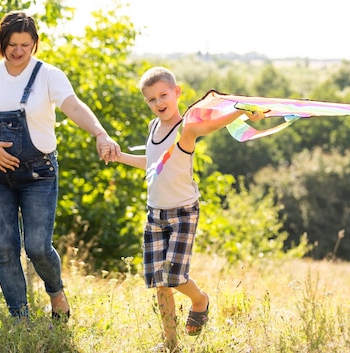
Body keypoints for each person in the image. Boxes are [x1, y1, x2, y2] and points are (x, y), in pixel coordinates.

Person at [0, 10, 121, 322]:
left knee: (37, 247)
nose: (18, 51)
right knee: (6, 249)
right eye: (11, 44)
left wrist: (101, 133)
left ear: (34, 44)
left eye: (25, 44)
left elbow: (73, 106)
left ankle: (55, 290)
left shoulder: (48, 75)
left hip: (38, 174)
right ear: (1, 43)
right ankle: (20, 319)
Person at [106, 66, 262, 350]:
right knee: (161, 284)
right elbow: (153, 163)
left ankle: (200, 299)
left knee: (174, 276)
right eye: (151, 99)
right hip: (155, 214)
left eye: (163, 95)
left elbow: (211, 126)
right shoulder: (154, 127)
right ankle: (170, 344)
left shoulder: (185, 129)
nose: (158, 103)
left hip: (182, 213)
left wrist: (241, 112)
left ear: (176, 93)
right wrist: (121, 157)